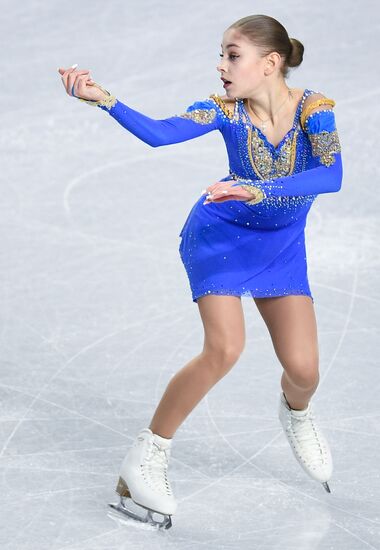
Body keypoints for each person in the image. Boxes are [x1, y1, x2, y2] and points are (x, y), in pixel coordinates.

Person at [58, 13, 343, 530]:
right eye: (222, 54)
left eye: (233, 55)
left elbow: (331, 175)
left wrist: (262, 190)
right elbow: (163, 134)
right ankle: (146, 458)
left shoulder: (314, 112)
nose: (221, 66)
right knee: (225, 347)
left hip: (280, 246)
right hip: (219, 238)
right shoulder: (223, 110)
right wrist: (106, 101)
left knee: (304, 372)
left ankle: (296, 413)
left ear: (270, 63)